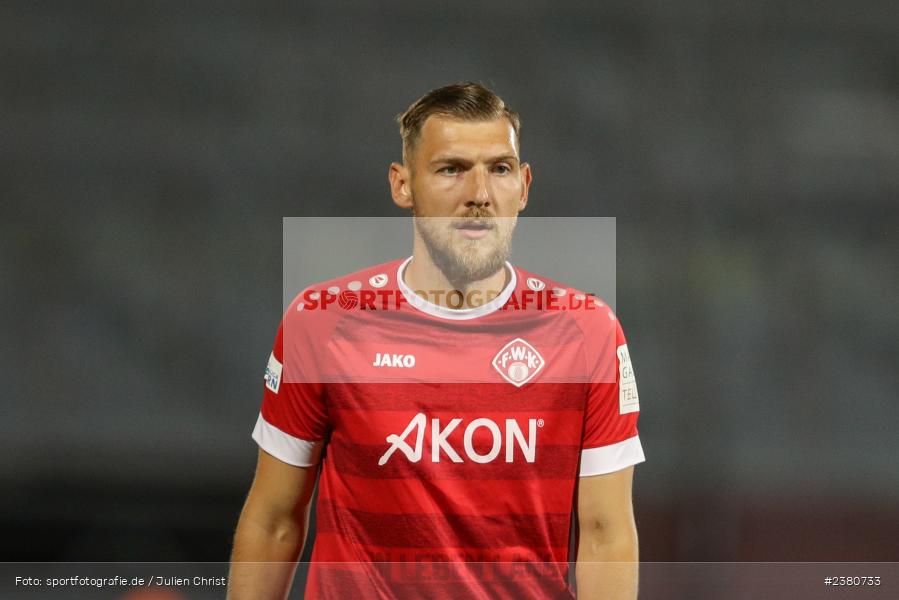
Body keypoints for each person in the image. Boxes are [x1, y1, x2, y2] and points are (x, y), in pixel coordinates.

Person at [227, 82, 645, 599]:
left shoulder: (587, 332)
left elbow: (606, 537)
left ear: (525, 185)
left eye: (500, 168)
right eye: (451, 169)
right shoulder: (324, 322)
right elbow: (274, 521)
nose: (479, 194)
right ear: (402, 185)